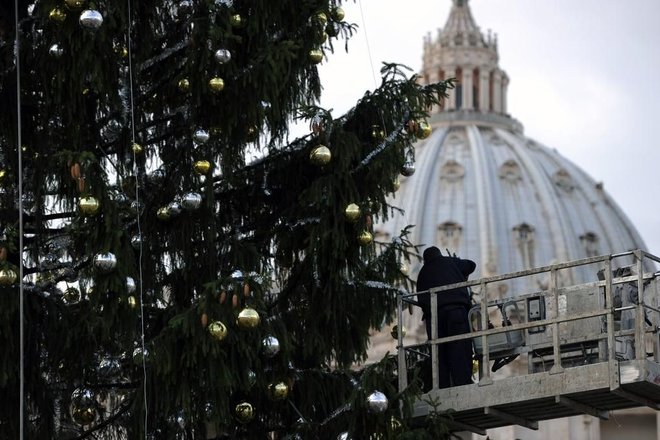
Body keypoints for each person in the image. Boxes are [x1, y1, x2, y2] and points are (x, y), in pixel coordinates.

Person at [416, 246, 476, 388]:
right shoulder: (450, 262)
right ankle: (463, 384)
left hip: (434, 318)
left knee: (439, 354)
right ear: (440, 254)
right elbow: (471, 265)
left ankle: (442, 386)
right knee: (460, 348)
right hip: (456, 312)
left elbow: (421, 299)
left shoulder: (423, 273)